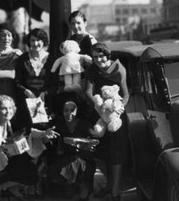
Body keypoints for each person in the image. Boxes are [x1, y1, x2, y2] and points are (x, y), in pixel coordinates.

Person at [0, 94, 57, 200]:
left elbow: (30, 132)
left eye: (10, 108)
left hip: (4, 164)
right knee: (26, 168)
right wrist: (6, 147)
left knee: (32, 169)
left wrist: (44, 133)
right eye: (4, 109)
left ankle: (11, 189)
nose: (8, 111)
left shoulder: (10, 124)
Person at [85, 42, 129, 201]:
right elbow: (88, 92)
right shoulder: (92, 69)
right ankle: (109, 185)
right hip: (99, 113)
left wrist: (119, 109)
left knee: (117, 152)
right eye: (95, 57)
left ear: (107, 55)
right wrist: (98, 104)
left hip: (116, 116)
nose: (98, 60)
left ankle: (116, 191)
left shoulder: (119, 68)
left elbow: (126, 95)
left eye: (101, 56)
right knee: (103, 152)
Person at [46, 99, 97, 201]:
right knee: (54, 169)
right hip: (66, 157)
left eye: (72, 110)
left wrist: (79, 142)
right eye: (66, 110)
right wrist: (47, 135)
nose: (69, 113)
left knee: (79, 167)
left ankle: (83, 190)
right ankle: (71, 187)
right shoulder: (59, 124)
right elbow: (50, 139)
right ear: (62, 111)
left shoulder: (84, 123)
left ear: (77, 111)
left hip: (84, 157)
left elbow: (94, 139)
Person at [14, 28, 56, 129]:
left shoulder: (52, 60)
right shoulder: (22, 60)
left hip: (46, 103)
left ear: (44, 41)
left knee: (45, 135)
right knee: (27, 135)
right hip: (26, 103)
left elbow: (56, 83)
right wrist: (26, 92)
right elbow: (16, 82)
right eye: (33, 40)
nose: (35, 43)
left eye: (39, 40)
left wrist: (44, 93)